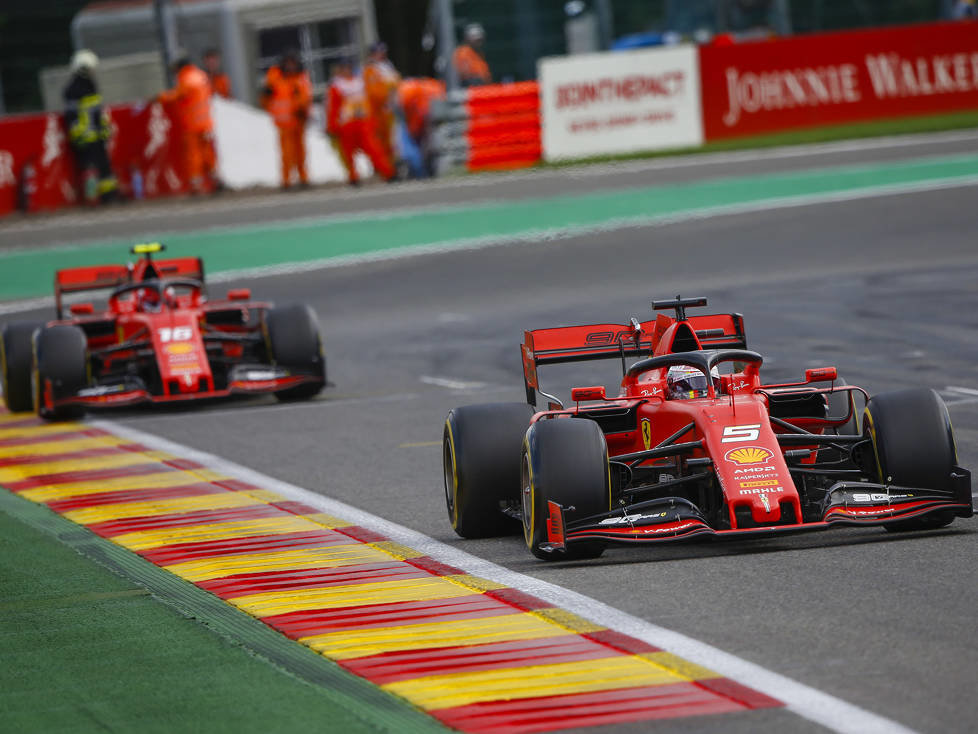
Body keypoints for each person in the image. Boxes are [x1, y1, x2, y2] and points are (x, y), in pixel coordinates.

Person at [157, 52, 222, 194]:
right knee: (208, 153)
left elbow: (177, 95)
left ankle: (196, 185)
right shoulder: (200, 75)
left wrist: (161, 97)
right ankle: (216, 179)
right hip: (206, 122)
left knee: (194, 155)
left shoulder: (186, 78)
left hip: (192, 123)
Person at [326, 60, 396, 186]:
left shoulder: (360, 82)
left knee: (374, 149)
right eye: (343, 68)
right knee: (348, 154)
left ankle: (388, 173)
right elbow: (333, 108)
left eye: (348, 68)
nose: (346, 71)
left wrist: (374, 121)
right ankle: (353, 177)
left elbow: (371, 102)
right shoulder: (336, 85)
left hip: (363, 122)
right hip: (347, 124)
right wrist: (332, 126)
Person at [63, 49, 119, 204]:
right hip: (85, 137)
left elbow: (97, 113)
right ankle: (92, 197)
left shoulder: (90, 85)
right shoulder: (73, 90)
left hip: (97, 134)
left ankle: (109, 196)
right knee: (90, 169)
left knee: (104, 167)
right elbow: (73, 118)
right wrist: (78, 136)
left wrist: (105, 128)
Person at [262, 50, 312, 189]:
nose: (290, 66)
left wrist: (302, 109)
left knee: (301, 152)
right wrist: (267, 94)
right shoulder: (276, 78)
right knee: (286, 154)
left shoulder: (301, 77)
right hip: (284, 122)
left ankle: (303, 178)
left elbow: (305, 96)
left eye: (293, 63)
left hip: (298, 120)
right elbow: (267, 100)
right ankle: (286, 180)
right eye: (288, 63)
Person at [363, 42, 401, 164]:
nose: (382, 54)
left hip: (393, 107)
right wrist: (386, 97)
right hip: (380, 111)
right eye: (379, 52)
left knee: (395, 139)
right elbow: (374, 93)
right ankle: (388, 168)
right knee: (384, 140)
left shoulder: (388, 66)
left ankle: (395, 164)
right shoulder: (370, 70)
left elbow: (397, 82)